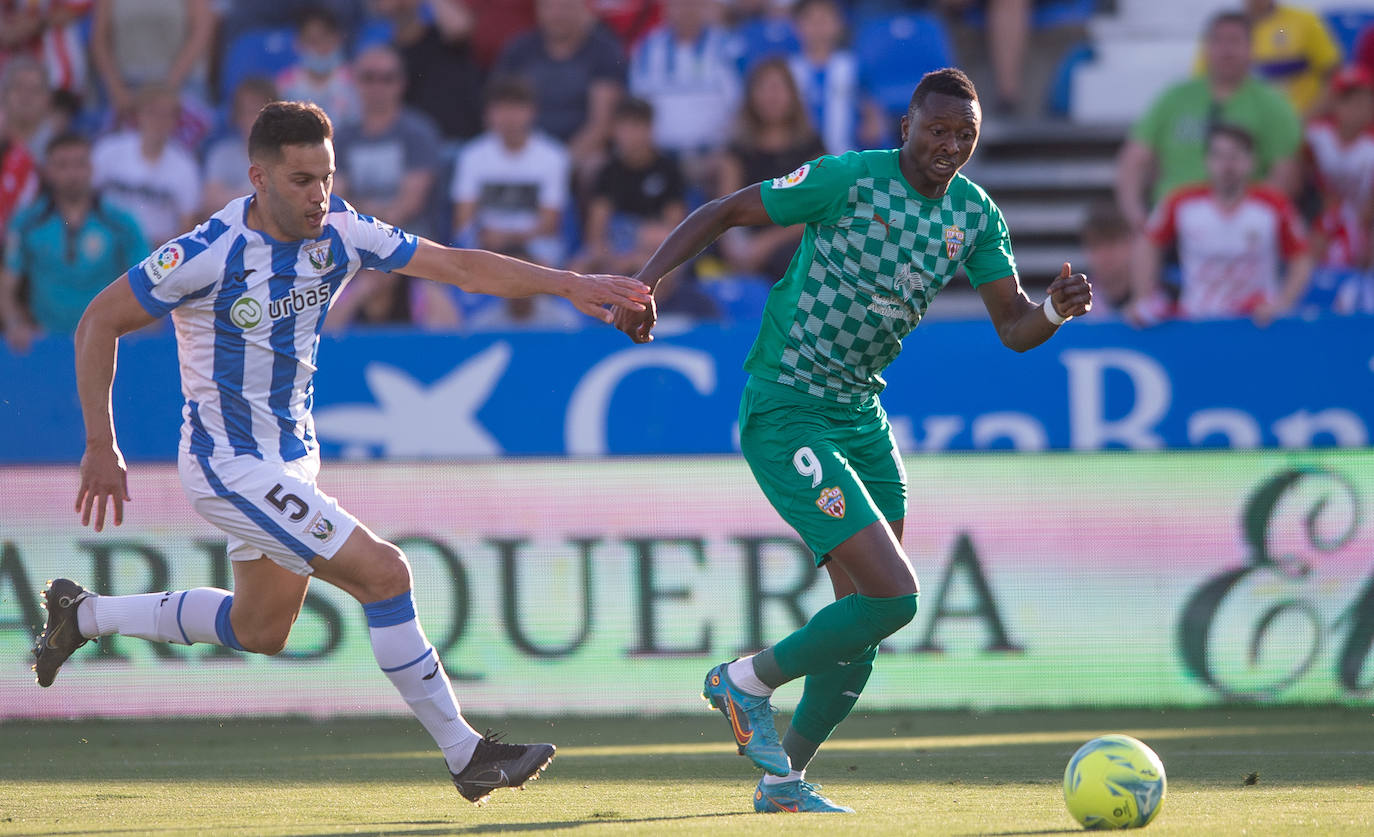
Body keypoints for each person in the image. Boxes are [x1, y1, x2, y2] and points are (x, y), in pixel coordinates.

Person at [31, 100, 650, 804]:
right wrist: (98, 441)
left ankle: (82, 615)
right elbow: (98, 321)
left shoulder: (344, 233)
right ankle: (466, 752)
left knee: (259, 626)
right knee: (385, 572)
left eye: (325, 176)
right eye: (300, 180)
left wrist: (569, 283)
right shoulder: (207, 250)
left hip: (292, 458)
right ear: (258, 178)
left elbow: (459, 269)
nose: (318, 194)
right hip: (227, 463)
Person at [613, 67, 1091, 814]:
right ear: (905, 126)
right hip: (788, 407)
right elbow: (726, 211)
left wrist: (1055, 312)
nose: (950, 145)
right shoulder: (846, 181)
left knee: (861, 633)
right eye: (937, 130)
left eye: (965, 134)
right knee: (896, 596)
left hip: (862, 417)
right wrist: (640, 286)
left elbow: (1014, 327)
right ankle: (742, 681)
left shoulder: (973, 213)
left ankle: (782, 783)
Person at [1116, 11, 1301, 231]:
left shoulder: (1273, 104)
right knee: (1138, 247)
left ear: (1251, 48)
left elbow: (1285, 174)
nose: (1226, 50)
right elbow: (1134, 159)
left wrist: (1252, 218)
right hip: (1173, 223)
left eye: (1235, 41)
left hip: (1243, 224)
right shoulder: (1174, 98)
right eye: (1218, 41)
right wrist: (1136, 215)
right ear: (1206, 48)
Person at [1133, 123, 1312, 325]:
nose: (1227, 166)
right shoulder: (1181, 203)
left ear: (1251, 162)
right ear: (1207, 161)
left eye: (1235, 156)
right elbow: (1148, 244)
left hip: (1256, 321)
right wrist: (1143, 297)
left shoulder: (1274, 206)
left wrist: (1282, 304)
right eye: (1218, 156)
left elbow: (1301, 259)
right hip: (1197, 319)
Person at [328, 44, 447, 329]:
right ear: (355, 82)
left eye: (387, 78)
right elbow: (336, 195)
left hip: (414, 248)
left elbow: (411, 202)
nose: (377, 86)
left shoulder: (418, 133)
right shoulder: (341, 138)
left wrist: (366, 214)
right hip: (355, 248)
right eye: (369, 77)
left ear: (401, 83)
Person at [1, 132, 146, 352]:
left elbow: (148, 285)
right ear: (47, 171)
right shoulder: (26, 223)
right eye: (62, 165)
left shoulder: (121, 223)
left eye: (79, 164)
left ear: (91, 168)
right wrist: (14, 324)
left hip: (108, 343)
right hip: (44, 343)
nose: (72, 174)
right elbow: (6, 287)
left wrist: (136, 329)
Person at [716, 56, 826, 281]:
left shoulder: (811, 147)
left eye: (778, 88)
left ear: (792, 95)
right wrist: (737, 247)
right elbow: (725, 206)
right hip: (745, 239)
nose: (771, 97)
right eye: (764, 88)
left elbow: (817, 209)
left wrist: (765, 243)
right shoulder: (737, 150)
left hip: (794, 240)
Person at [495, 0, 626, 177]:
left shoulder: (604, 51)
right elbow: (501, 108)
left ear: (583, 9)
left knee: (596, 166)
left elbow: (601, 123)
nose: (558, 14)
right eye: (550, 6)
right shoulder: (520, 50)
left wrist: (559, 162)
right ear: (538, 10)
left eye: (566, 6)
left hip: (581, 153)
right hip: (524, 148)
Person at [450, 76, 570, 269]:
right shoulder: (471, 155)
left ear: (532, 112)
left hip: (534, 247)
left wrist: (508, 238)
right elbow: (463, 219)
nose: (509, 117)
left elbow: (550, 224)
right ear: (488, 113)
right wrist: (489, 239)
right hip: (485, 245)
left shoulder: (554, 156)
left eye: (516, 108)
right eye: (501, 109)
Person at [629, 0, 742, 189]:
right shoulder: (647, 47)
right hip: (657, 156)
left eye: (692, 4)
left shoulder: (728, 46)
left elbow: (741, 107)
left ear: (705, 6)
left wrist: (724, 148)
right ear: (666, 8)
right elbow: (637, 107)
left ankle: (726, 219)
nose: (686, 10)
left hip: (712, 156)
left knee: (728, 167)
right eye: (679, 4)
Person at [573, 97, 686, 278]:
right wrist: (612, 257)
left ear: (650, 129)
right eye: (624, 127)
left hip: (652, 249)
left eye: (636, 126)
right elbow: (596, 229)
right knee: (577, 268)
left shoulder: (668, 169)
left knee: (657, 242)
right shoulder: (608, 171)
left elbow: (674, 228)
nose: (630, 134)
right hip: (614, 246)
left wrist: (637, 253)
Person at [1300, 65, 1374, 313]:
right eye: (1346, 100)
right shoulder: (1318, 134)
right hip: (1329, 215)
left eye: (1363, 101)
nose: (1355, 109)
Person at [91, 83, 201, 247]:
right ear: (138, 115)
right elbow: (86, 200)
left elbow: (187, 227)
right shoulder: (108, 150)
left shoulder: (185, 165)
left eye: (167, 115)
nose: (159, 121)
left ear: (176, 121)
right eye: (152, 112)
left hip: (156, 252)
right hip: (106, 245)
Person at [367, 0, 485, 144]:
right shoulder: (388, 56)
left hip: (463, 141)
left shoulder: (443, 35)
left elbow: (461, 26)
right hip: (421, 149)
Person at [1240, 0, 1342, 117]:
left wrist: (1307, 118)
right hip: (1248, 125)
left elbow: (1335, 75)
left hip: (1303, 121)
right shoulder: (1229, 30)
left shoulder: (1305, 21)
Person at [787, 0, 860, 155]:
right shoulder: (789, 69)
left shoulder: (852, 66)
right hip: (797, 159)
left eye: (824, 20)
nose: (818, 27)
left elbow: (869, 109)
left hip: (845, 156)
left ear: (839, 25)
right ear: (797, 26)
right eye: (811, 20)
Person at [202, 77, 279, 216]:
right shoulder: (221, 154)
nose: (255, 120)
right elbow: (210, 202)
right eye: (248, 112)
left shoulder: (289, 154)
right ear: (237, 116)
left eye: (259, 112)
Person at [275, 6, 361, 128]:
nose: (321, 47)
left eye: (326, 39)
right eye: (313, 41)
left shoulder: (356, 80)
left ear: (338, 39)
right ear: (298, 44)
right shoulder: (285, 85)